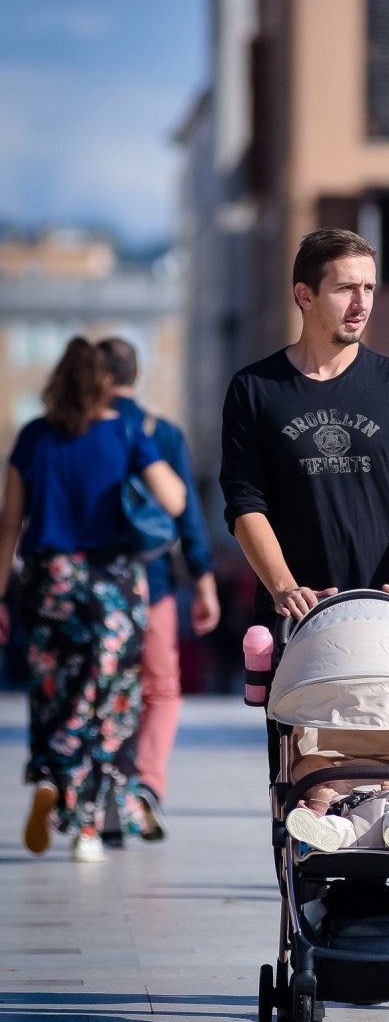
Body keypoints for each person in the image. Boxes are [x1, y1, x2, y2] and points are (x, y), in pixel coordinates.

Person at [219, 227, 389, 779]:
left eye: (369, 288)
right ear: (304, 295)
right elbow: (244, 503)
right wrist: (284, 588)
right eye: (346, 288)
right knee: (307, 772)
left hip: (386, 615)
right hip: (298, 621)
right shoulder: (255, 389)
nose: (361, 303)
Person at [0, 338, 186, 862]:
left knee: (53, 688)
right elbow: (173, 499)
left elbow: (10, 523)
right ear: (104, 382)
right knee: (110, 699)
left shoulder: (34, 436)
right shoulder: (123, 431)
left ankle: (51, 776)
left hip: (49, 581)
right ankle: (88, 827)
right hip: (112, 583)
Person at [96, 337, 220, 838]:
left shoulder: (76, 430)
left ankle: (104, 793)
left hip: (94, 583)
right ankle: (145, 784)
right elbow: (186, 512)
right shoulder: (159, 432)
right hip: (154, 581)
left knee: (103, 688)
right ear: (135, 374)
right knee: (160, 689)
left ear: (99, 376)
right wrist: (204, 580)